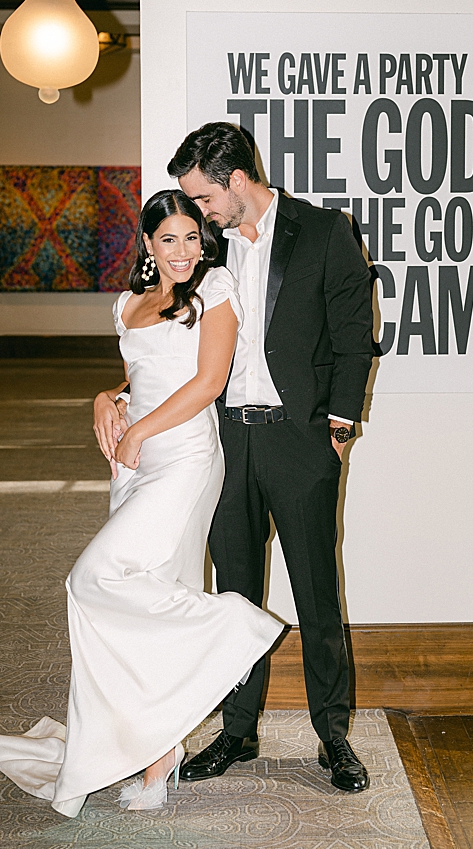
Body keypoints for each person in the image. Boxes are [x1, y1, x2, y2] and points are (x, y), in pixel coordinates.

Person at [0, 191, 284, 815]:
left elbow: (207, 382)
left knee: (90, 578)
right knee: (142, 605)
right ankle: (158, 754)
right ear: (147, 244)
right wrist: (106, 397)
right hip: (132, 467)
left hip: (186, 459)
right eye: (169, 240)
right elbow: (142, 376)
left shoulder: (215, 288)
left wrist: (138, 430)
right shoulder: (127, 304)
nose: (183, 251)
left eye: (192, 237)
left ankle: (236, 626)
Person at [163, 122, 374, 793]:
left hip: (299, 440)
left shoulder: (324, 231)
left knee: (316, 592)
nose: (198, 212)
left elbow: (353, 334)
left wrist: (338, 428)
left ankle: (333, 735)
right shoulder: (206, 246)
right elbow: (170, 336)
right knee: (234, 594)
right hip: (226, 440)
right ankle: (238, 731)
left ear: (237, 180)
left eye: (203, 197)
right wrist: (121, 396)